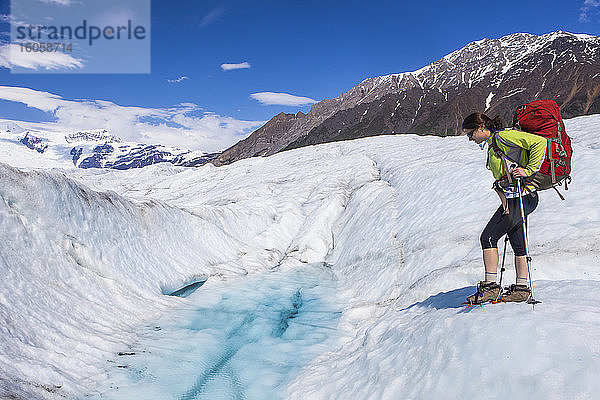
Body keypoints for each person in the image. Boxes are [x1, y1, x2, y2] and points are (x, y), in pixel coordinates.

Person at [463, 112, 547, 304]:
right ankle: (521, 289)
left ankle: (491, 287)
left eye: (470, 133)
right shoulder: (495, 142)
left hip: (521, 197)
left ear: (481, 127)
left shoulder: (502, 137)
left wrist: (529, 169)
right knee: (518, 242)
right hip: (519, 198)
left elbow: (539, 143)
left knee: (488, 237)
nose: (470, 138)